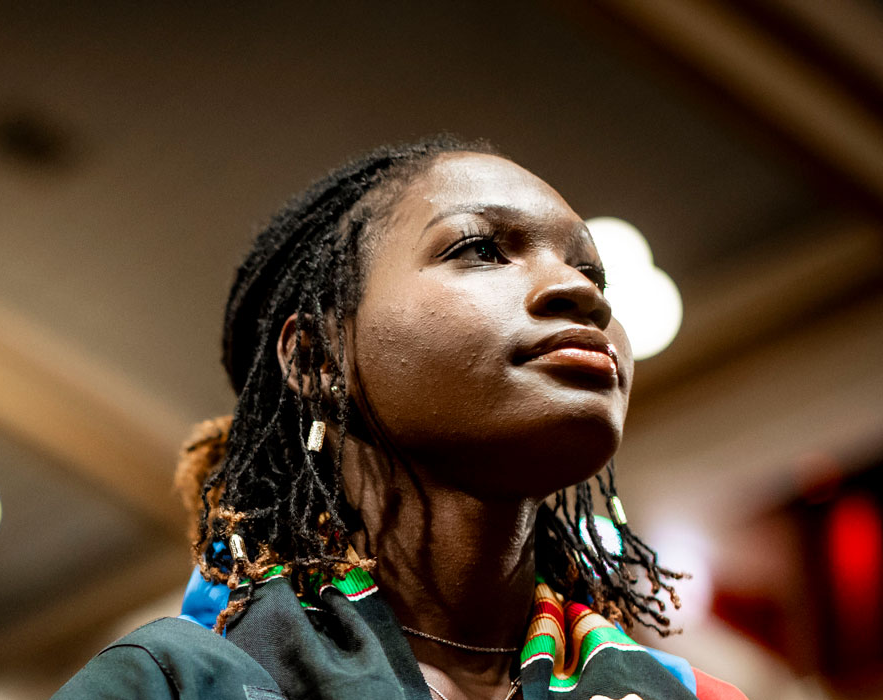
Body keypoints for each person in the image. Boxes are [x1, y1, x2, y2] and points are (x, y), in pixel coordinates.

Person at [52, 137, 745, 700]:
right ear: (319, 358)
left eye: (593, 274)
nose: (580, 294)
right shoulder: (174, 684)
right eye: (480, 249)